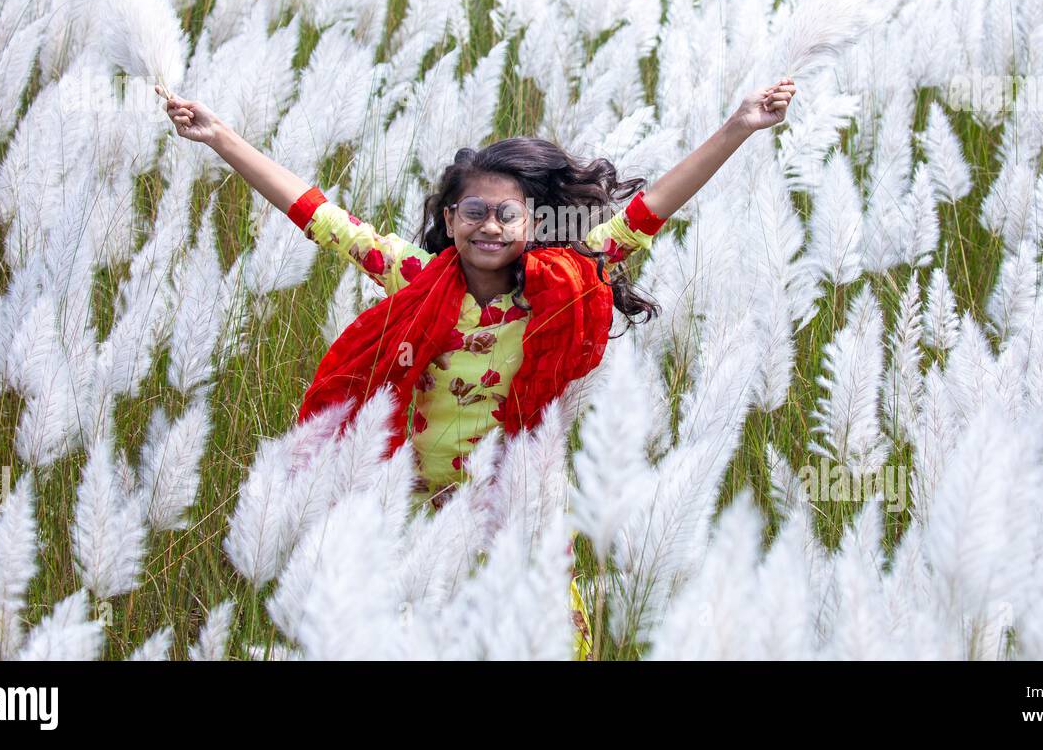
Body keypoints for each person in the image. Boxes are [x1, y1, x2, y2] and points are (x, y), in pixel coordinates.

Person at [157, 77, 796, 658]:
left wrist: (738, 125)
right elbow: (320, 218)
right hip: (417, 514)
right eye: (473, 212)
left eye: (506, 214)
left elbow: (650, 208)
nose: (488, 226)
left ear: (534, 222)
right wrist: (221, 138)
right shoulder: (416, 275)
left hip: (518, 508)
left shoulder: (561, 284)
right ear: (448, 219)